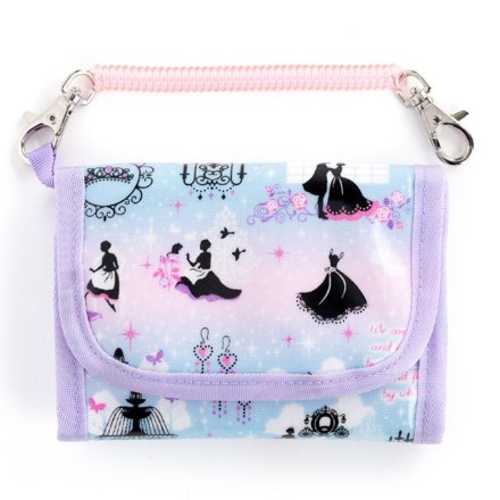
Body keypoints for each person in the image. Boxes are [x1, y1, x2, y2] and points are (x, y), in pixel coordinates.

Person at [297, 250, 367, 323]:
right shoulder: (331, 256)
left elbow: (339, 257)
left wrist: (340, 256)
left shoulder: (337, 258)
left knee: (341, 284)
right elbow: (330, 255)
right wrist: (331, 253)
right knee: (327, 286)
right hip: (331, 272)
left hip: (335, 272)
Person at [176, 239, 241, 301]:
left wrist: (188, 259)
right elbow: (204, 265)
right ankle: (190, 283)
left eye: (201, 244)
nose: (200, 245)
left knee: (196, 292)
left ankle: (187, 282)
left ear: (203, 246)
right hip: (208, 274)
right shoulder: (208, 254)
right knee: (219, 288)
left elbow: (193, 265)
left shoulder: (202, 255)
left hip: (204, 275)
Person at [86, 240, 120, 311]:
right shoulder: (105, 256)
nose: (100, 248)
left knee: (103, 289)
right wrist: (95, 270)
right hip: (105, 272)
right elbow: (102, 265)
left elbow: (116, 266)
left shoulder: (111, 256)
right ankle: (110, 304)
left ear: (104, 247)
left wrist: (110, 269)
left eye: (101, 247)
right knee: (96, 285)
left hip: (110, 275)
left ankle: (111, 304)